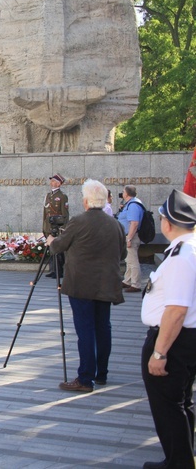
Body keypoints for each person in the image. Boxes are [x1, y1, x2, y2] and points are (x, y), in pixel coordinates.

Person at [46, 179, 126, 393]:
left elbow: (58, 247)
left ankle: (85, 378)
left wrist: (51, 241)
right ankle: (101, 374)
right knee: (103, 328)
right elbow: (123, 254)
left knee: (86, 331)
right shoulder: (115, 224)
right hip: (106, 285)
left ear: (87, 201)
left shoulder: (79, 221)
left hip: (81, 286)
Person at [140, 190, 196, 469]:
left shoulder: (181, 256)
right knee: (180, 403)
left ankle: (178, 464)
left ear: (168, 223)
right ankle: (182, 458)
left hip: (172, 340)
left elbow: (176, 311)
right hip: (183, 339)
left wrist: (159, 353)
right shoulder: (186, 249)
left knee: (168, 407)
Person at [118, 185, 145, 293]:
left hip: (131, 236)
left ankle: (136, 284)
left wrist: (129, 239)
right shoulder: (129, 204)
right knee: (128, 260)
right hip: (128, 235)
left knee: (133, 261)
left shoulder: (133, 205)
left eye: (123, 191)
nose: (122, 193)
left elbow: (134, 223)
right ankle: (127, 281)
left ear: (127, 193)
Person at [43, 173, 69, 278]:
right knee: (51, 248)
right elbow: (45, 212)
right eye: (51, 181)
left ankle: (59, 271)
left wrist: (63, 228)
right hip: (49, 226)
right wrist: (44, 226)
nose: (51, 183)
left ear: (59, 184)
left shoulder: (62, 196)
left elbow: (65, 214)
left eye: (54, 181)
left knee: (58, 250)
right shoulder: (48, 195)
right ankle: (53, 270)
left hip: (57, 227)